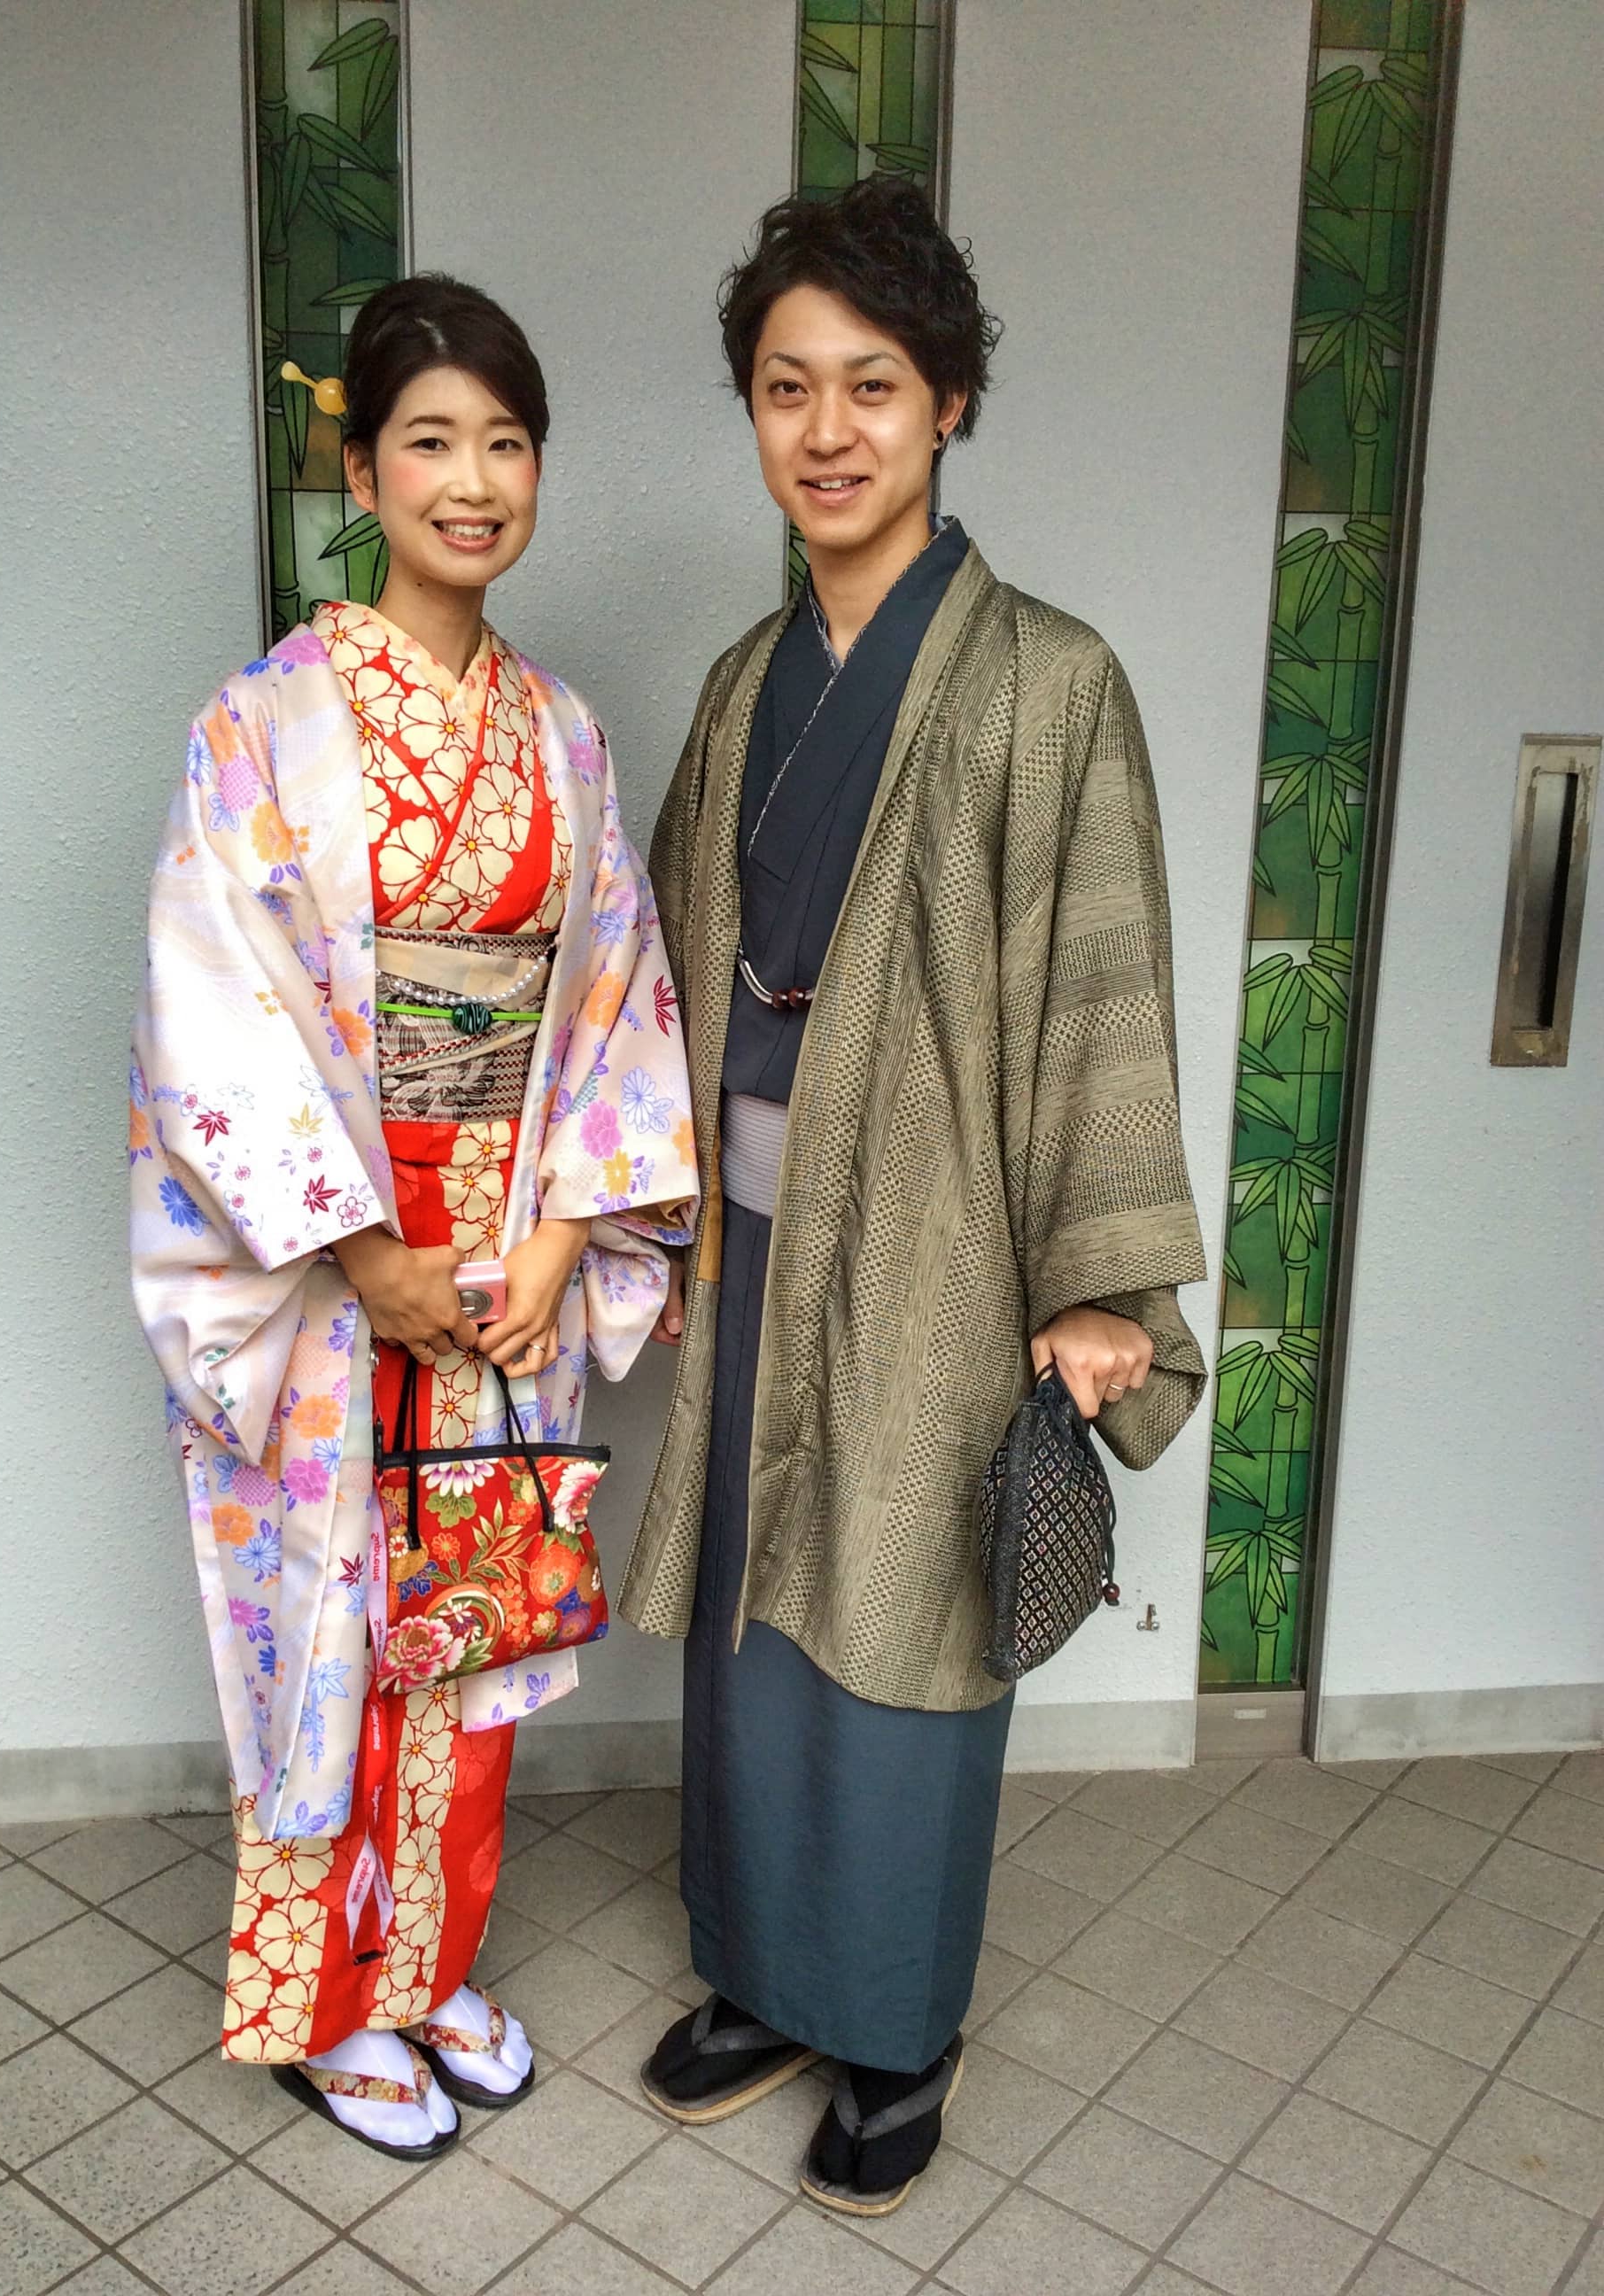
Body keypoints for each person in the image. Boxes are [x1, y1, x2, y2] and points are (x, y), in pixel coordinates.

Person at [623, 177, 1207, 2215]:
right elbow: (658, 970)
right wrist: (652, 1216)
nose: (826, 429)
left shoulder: (1048, 680)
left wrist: (1100, 1277)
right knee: (753, 1628)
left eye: (869, 384)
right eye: (785, 387)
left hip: (944, 1238)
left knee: (898, 1636)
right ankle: (761, 1976)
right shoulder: (740, 683)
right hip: (753, 1231)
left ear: (946, 401)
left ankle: (890, 2024)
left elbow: (1102, 985)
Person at [131, 275, 697, 2160]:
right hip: (333, 1262)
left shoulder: (564, 737)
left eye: (505, 443)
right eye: (430, 442)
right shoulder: (261, 727)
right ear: (361, 471)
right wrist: (361, 1250)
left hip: (506, 1252)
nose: (472, 481)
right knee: (328, 1618)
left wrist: (561, 1239)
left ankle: (436, 1964)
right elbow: (210, 998)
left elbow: (611, 992)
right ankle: (325, 2003)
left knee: (475, 1608)